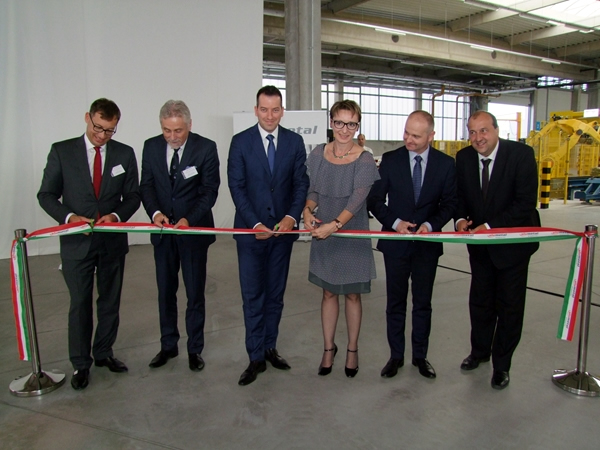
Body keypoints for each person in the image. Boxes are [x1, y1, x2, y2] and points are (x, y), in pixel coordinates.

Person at [38, 98, 140, 390]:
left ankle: (104, 353)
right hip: (76, 243)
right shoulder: (62, 152)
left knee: (109, 301)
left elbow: (133, 196)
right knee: (80, 303)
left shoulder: (124, 153)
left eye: (109, 130)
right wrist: (69, 218)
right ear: (87, 118)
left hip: (111, 242)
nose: (102, 135)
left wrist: (116, 216)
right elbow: (46, 195)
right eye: (98, 127)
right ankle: (81, 364)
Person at [227, 86, 309, 386]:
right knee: (253, 296)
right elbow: (236, 187)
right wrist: (256, 223)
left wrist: (291, 217)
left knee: (275, 295)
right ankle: (255, 356)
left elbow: (301, 184)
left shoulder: (294, 142)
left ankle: (270, 347)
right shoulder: (240, 142)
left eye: (275, 110)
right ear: (256, 110)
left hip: (283, 235)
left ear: (282, 111)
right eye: (264, 109)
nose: (270, 115)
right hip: (251, 235)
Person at [367, 111, 457, 380]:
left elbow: (450, 204)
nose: (408, 139)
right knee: (395, 303)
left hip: (427, 246)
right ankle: (396, 356)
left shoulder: (445, 164)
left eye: (416, 136)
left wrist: (430, 225)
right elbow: (375, 200)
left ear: (431, 136)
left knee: (423, 303)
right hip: (396, 244)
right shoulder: (391, 160)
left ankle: (420, 356)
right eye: (406, 132)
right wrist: (395, 223)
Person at [455, 110, 540, 390]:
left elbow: (525, 203)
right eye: (472, 132)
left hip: (512, 247)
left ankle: (502, 365)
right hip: (480, 248)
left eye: (484, 130)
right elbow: (460, 196)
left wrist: (490, 226)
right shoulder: (464, 158)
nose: (478, 137)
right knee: (480, 302)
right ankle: (479, 352)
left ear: (496, 130)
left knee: (509, 307)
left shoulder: (521, 155)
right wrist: (460, 218)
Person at [139, 100, 220, 373]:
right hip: (163, 233)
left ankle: (194, 349)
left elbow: (209, 191)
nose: (172, 137)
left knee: (195, 293)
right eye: (166, 130)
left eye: (178, 131)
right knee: (165, 292)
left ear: (189, 125)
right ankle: (168, 345)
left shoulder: (205, 148)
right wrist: (155, 213)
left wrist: (189, 219)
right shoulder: (151, 147)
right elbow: (146, 186)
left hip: (193, 234)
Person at [303, 100, 379, 378]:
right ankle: (328, 348)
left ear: (358, 125)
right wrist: (307, 210)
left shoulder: (364, 159)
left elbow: (357, 201)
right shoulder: (318, 154)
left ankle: (352, 349)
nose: (345, 129)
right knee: (328, 292)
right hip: (324, 232)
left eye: (351, 124)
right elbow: (313, 190)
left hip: (350, 233)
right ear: (331, 122)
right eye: (339, 122)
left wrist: (333, 226)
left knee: (353, 295)